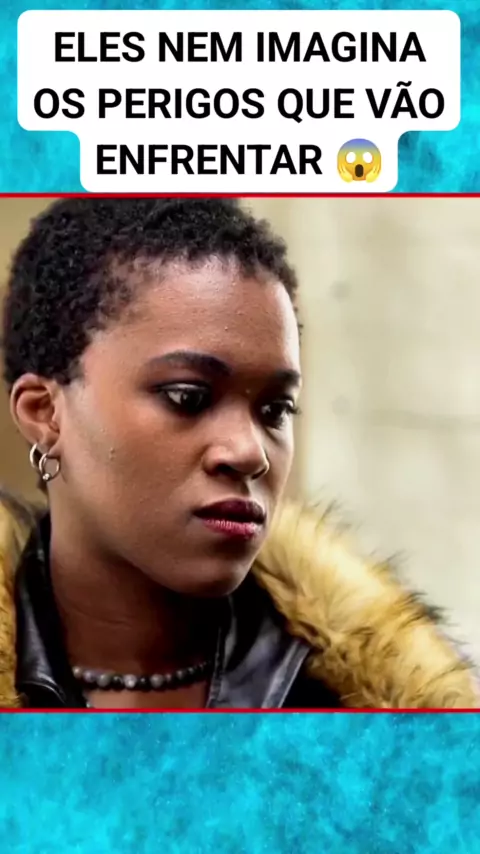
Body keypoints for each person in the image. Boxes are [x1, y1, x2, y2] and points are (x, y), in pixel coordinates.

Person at [0, 196, 477, 710]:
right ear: (45, 413)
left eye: (275, 409)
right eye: (188, 397)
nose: (251, 453)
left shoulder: (393, 715)